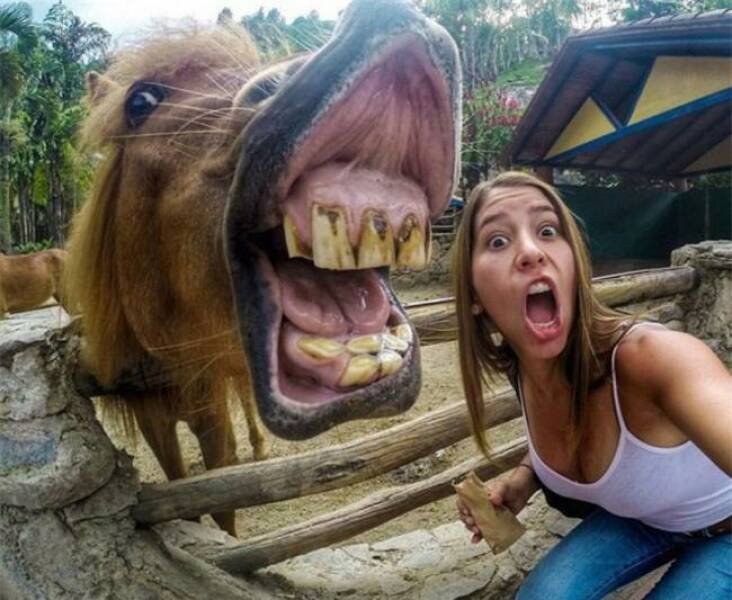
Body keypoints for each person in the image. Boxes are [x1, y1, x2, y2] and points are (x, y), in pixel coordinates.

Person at [452, 171, 732, 599]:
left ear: (574, 263)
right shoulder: (524, 368)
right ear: (473, 293)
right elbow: (569, 424)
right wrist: (524, 478)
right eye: (498, 240)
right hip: (644, 520)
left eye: (548, 231)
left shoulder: (655, 357)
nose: (531, 252)